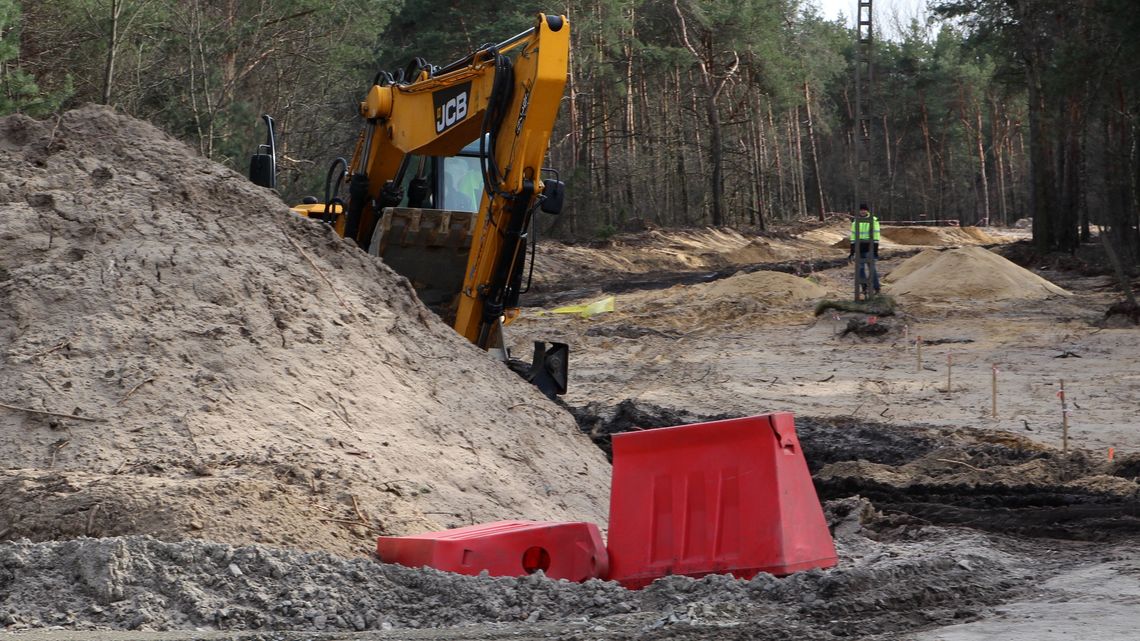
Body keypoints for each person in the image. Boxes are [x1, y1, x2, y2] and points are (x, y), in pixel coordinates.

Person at [848, 203, 881, 294]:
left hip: (869, 248)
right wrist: (852, 251)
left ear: (867, 211)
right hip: (859, 248)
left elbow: (876, 235)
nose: (862, 211)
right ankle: (864, 287)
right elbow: (853, 237)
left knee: (871, 269)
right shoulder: (855, 222)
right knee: (860, 269)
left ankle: (876, 288)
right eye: (861, 210)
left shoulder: (873, 221)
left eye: (864, 210)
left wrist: (875, 250)